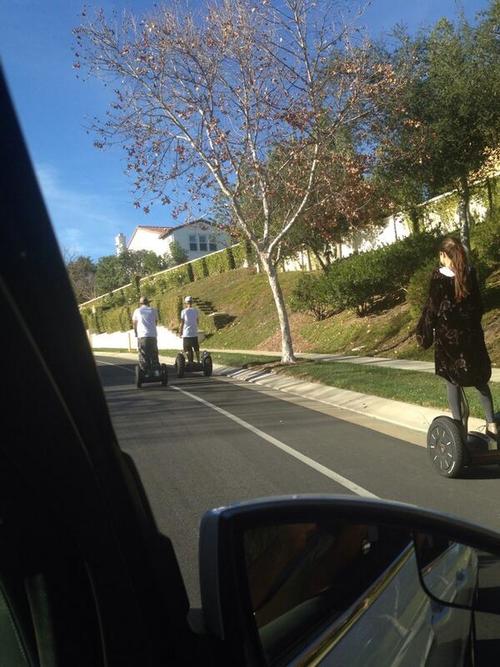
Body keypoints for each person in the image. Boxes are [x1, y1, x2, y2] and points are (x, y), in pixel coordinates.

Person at [416, 236, 497, 443]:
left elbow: (432, 308)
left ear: (444, 255)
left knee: (452, 381)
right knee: (480, 381)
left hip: (448, 339)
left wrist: (425, 332)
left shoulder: (439, 276)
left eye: (440, 255)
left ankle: (459, 428)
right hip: (472, 336)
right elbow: (479, 305)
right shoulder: (470, 273)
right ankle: (491, 424)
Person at [132, 296, 160, 372]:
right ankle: (156, 370)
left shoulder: (137, 311)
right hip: (152, 336)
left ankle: (145, 371)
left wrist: (136, 333)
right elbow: (155, 323)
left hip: (142, 336)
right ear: (148, 303)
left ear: (140, 304)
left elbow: (134, 324)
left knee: (143, 355)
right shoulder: (153, 310)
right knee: (154, 354)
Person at [180, 296, 200, 365]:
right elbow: (197, 322)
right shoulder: (196, 311)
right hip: (194, 333)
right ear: (192, 302)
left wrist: (180, 332)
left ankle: (190, 361)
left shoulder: (183, 311)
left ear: (186, 303)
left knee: (187, 348)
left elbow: (182, 323)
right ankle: (198, 361)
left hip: (186, 334)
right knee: (196, 348)